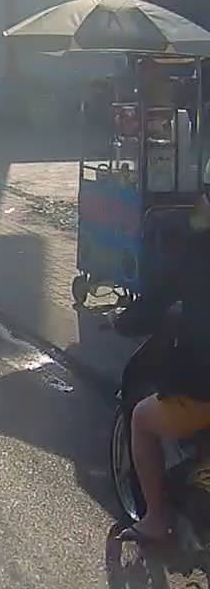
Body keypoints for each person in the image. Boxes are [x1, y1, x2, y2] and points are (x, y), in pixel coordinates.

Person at [112, 164, 210, 543]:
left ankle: (155, 518)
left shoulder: (197, 250)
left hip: (202, 391)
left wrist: (122, 321)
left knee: (141, 418)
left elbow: (153, 304)